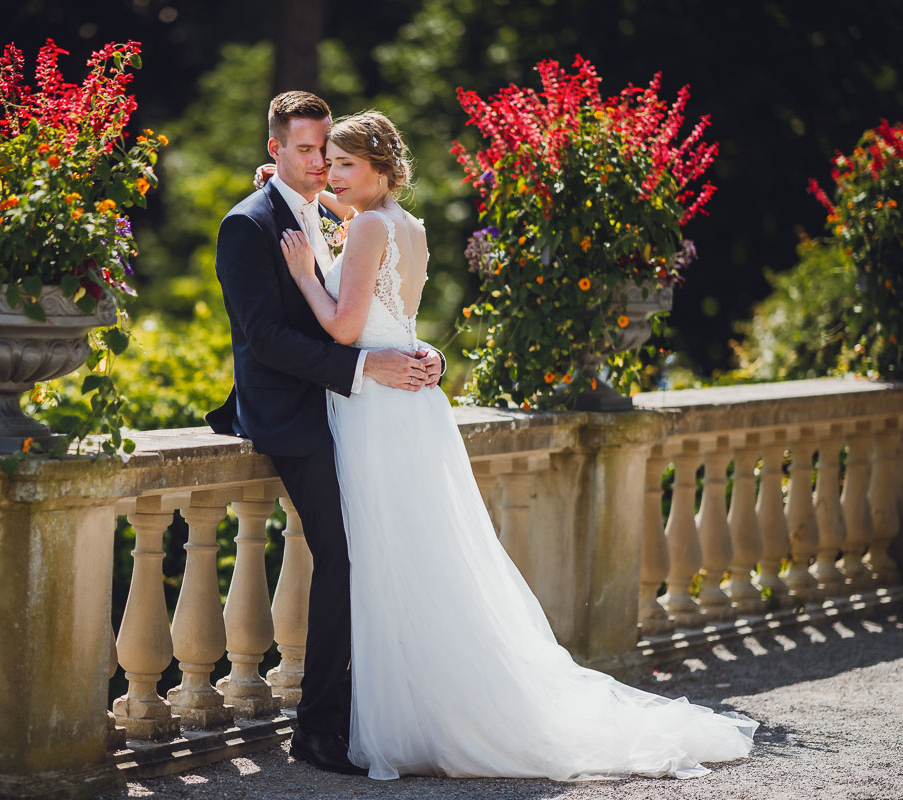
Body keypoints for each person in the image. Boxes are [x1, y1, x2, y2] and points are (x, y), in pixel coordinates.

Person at [275, 109, 759, 781]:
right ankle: (425, 706)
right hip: (413, 404)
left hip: (374, 409)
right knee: (420, 558)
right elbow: (396, 315)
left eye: (346, 164)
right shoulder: (406, 225)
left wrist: (303, 273)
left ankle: (409, 718)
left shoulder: (365, 232)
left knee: (387, 561)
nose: (332, 174)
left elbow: (343, 326)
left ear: (380, 169)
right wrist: (301, 190)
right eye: (329, 162)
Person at [206, 91, 444, 776]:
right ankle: (318, 730)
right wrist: (368, 366)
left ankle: (352, 716)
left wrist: (426, 356)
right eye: (307, 151)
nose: (319, 165)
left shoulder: (333, 211)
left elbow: (379, 301)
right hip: (295, 417)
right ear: (275, 148)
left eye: (327, 152)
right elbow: (266, 339)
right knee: (343, 559)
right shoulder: (247, 225)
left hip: (355, 410)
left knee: (369, 558)